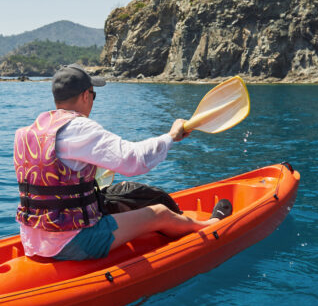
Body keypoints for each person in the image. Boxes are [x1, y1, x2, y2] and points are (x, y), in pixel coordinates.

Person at [14, 64, 223, 261]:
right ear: (86, 95)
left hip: (32, 241)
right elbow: (134, 161)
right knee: (159, 213)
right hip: (71, 242)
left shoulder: (27, 133)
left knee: (117, 201)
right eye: (93, 95)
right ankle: (209, 225)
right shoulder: (79, 128)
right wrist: (171, 137)